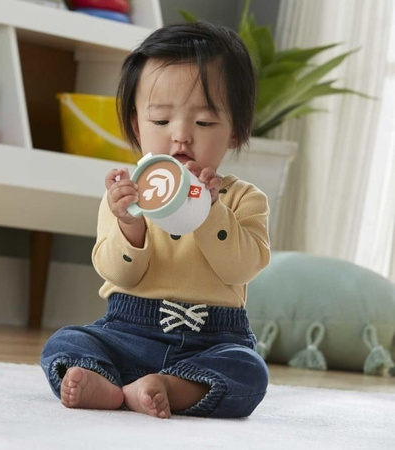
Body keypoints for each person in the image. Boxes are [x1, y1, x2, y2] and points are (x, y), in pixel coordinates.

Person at [41, 20, 270, 419]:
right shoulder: (126, 197)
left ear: (235, 131)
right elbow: (118, 274)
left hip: (212, 340)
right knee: (65, 342)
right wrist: (131, 226)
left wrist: (208, 210)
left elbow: (242, 268)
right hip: (128, 333)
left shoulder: (245, 199)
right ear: (136, 125)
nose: (180, 136)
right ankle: (106, 383)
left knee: (249, 372)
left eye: (204, 122)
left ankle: (168, 387)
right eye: (161, 121)